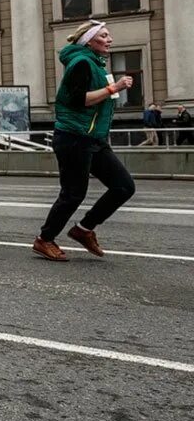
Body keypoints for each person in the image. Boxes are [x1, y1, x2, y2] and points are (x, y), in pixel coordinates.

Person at [33, 21, 136, 262]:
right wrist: (114, 88)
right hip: (74, 137)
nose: (109, 39)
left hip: (94, 138)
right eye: (103, 35)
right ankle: (44, 240)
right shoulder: (81, 63)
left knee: (124, 186)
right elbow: (79, 100)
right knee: (73, 194)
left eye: (109, 35)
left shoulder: (96, 64)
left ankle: (84, 229)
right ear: (89, 41)